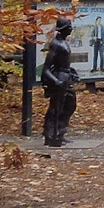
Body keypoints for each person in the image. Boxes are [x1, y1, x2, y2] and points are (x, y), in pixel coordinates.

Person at [41, 19, 79, 147]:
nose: (71, 29)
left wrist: (71, 73)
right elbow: (46, 68)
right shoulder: (56, 44)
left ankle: (60, 133)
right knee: (56, 107)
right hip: (60, 78)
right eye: (69, 27)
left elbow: (64, 64)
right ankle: (51, 135)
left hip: (66, 77)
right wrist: (56, 81)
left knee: (70, 105)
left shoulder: (63, 42)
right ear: (63, 28)